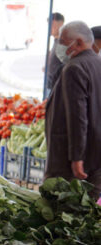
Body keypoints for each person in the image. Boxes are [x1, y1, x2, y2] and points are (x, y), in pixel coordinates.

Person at [45, 21, 101, 197]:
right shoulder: (97, 63)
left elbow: (78, 117)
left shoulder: (74, 68)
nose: (60, 46)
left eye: (63, 41)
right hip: (95, 158)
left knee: (61, 214)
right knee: (86, 213)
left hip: (71, 164)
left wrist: (76, 158)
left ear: (78, 43)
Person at [45, 13, 65, 95]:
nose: (49, 27)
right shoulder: (56, 41)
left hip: (55, 88)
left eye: (52, 24)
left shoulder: (62, 44)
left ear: (60, 24)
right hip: (50, 86)